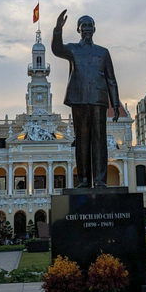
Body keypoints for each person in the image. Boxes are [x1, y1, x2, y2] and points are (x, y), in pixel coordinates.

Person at [52, 10, 120, 188]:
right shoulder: (73, 49)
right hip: (79, 98)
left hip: (98, 99)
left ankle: (99, 180)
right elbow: (56, 49)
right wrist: (57, 29)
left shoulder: (103, 52)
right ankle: (83, 180)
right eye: (84, 26)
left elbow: (111, 79)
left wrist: (116, 104)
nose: (87, 29)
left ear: (94, 29)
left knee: (99, 140)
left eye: (90, 26)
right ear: (78, 29)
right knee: (82, 140)